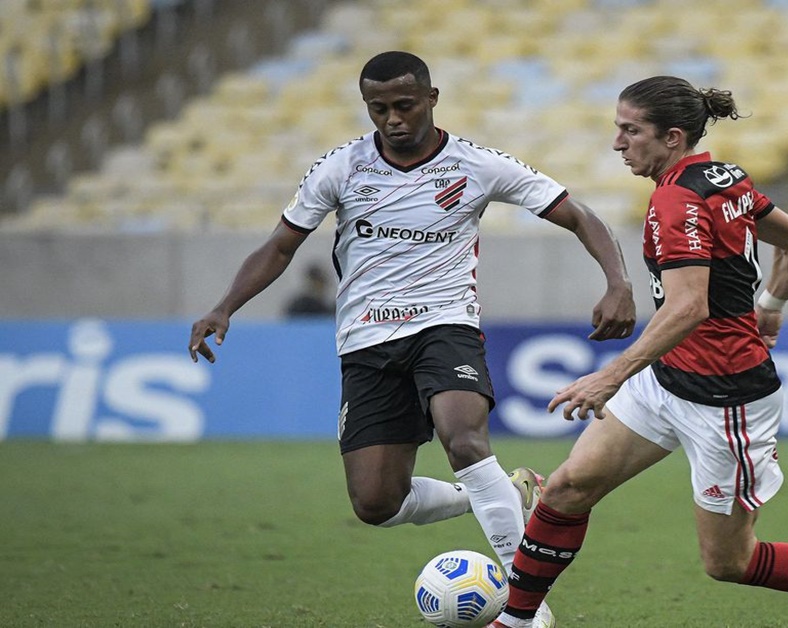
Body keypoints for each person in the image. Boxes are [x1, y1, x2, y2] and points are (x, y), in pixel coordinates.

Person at [490, 76, 788, 628]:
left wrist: (610, 376)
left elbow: (688, 307)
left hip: (725, 399)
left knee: (729, 561)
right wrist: (771, 305)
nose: (617, 143)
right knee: (566, 489)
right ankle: (515, 621)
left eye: (631, 131)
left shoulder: (676, 199)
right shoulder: (724, 178)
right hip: (667, 377)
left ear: (672, 137)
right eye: (618, 129)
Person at [187, 51, 636, 601]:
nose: (393, 119)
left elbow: (578, 215)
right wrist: (224, 305)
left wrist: (618, 282)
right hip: (366, 341)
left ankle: (525, 607)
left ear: (431, 98)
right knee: (376, 503)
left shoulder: (476, 165)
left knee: (465, 441)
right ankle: (501, 492)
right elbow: (281, 246)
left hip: (445, 326)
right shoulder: (341, 167)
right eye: (378, 109)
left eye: (404, 105)